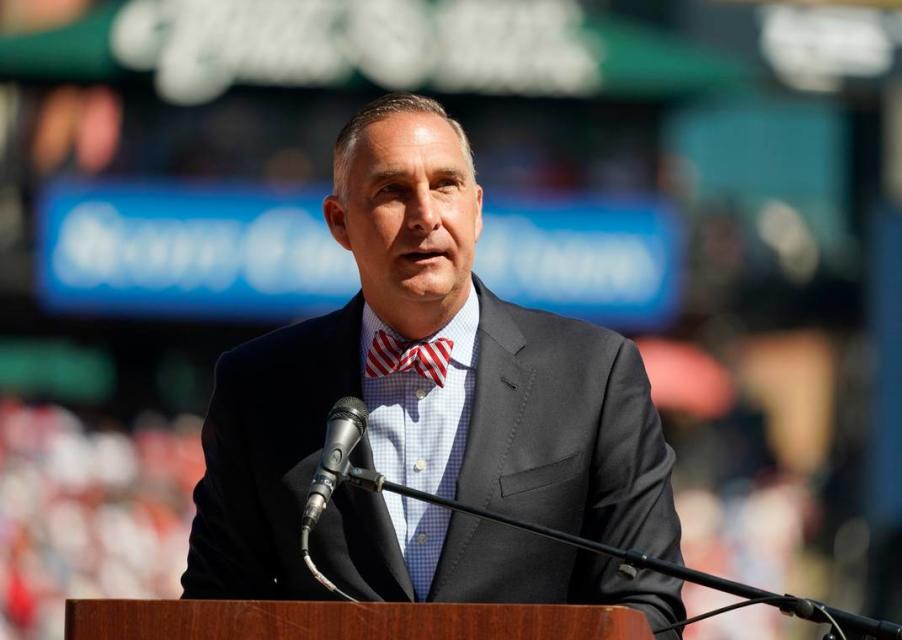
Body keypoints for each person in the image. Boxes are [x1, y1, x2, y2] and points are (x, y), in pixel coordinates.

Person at [181, 93, 685, 633]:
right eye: (392, 191)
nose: (425, 215)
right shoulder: (259, 385)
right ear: (340, 222)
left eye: (445, 185)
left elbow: (647, 606)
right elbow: (217, 605)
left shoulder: (596, 373)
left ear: (477, 207)